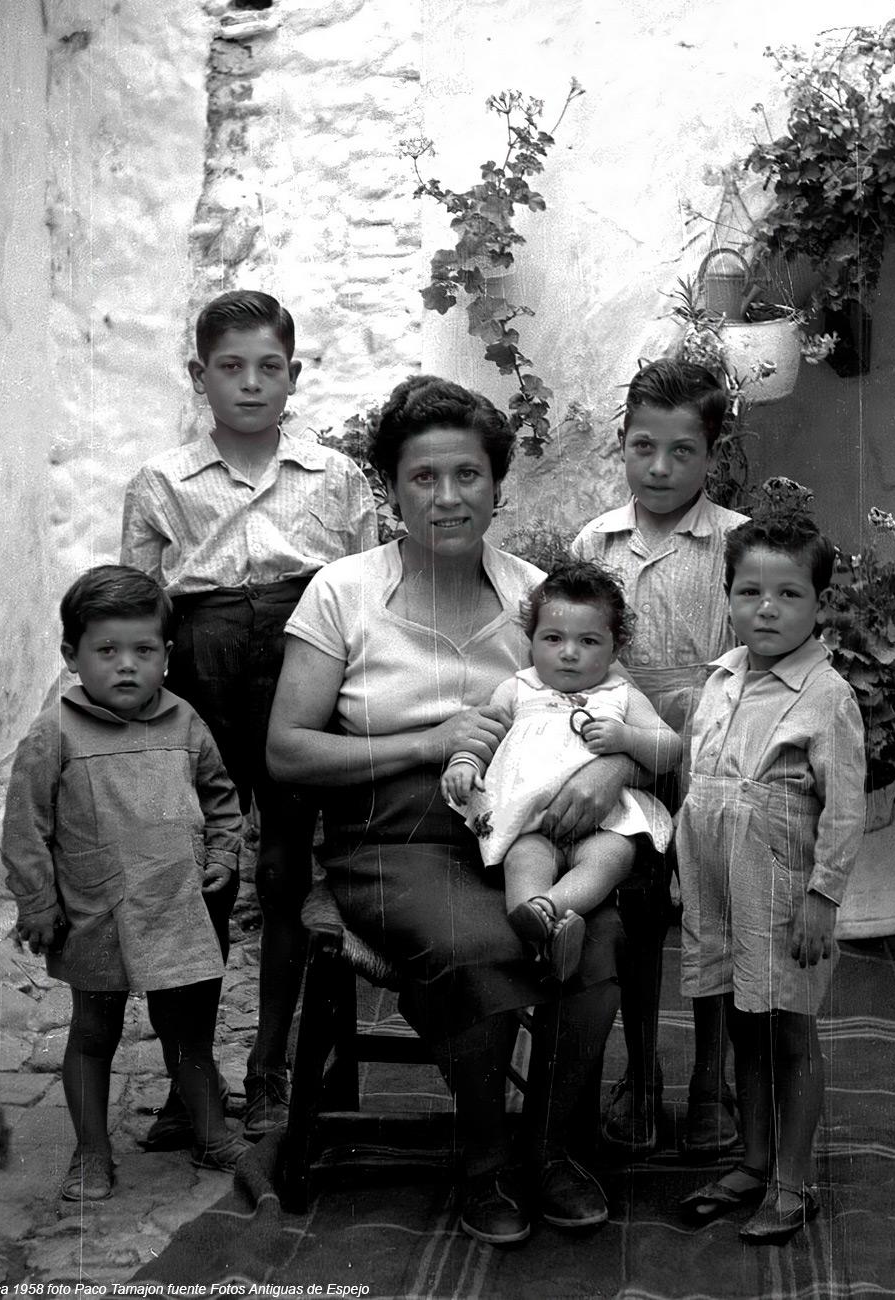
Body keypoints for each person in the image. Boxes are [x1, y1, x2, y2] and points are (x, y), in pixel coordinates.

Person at [267, 375, 636, 1246]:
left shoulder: (535, 598)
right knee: (478, 941)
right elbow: (287, 750)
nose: (447, 496)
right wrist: (423, 744)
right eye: (423, 477)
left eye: (468, 474)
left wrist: (614, 765)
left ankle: (548, 1150)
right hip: (389, 837)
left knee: (599, 936)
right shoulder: (342, 593)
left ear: (497, 485)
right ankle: (484, 1159)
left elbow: (620, 707)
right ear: (391, 490)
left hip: (519, 831)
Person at [121, 290, 377, 1143]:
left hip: (304, 671)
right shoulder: (162, 482)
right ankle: (188, 1082)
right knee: (205, 871)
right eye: (231, 367)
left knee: (284, 872)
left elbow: (365, 594)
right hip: (204, 677)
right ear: (200, 376)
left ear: (294, 374)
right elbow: (139, 606)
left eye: (270, 366)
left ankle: (270, 1068)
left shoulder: (335, 477)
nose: (251, 383)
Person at [1, 566, 246, 1200]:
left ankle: (212, 1134)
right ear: (72, 655)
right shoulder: (54, 732)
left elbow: (221, 798)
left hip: (173, 907)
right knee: (92, 1033)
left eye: (144, 650)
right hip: (96, 910)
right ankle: (91, 1153)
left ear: (167, 654)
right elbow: (25, 827)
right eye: (106, 650)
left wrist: (223, 852)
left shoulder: (185, 722)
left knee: (186, 1032)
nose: (127, 666)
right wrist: (37, 904)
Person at [570, 358, 748, 1156]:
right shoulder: (596, 542)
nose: (661, 468)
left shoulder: (737, 543)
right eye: (644, 447)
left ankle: (712, 1079)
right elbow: (577, 660)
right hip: (623, 754)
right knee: (635, 912)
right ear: (622, 443)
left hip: (715, 759)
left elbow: (755, 669)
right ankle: (639, 1074)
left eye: (683, 451)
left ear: (713, 454)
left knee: (715, 916)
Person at [677, 516, 864, 1242]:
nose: (766, 608)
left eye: (789, 594)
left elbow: (844, 810)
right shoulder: (722, 679)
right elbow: (704, 778)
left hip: (783, 890)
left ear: (819, 603)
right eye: (749, 591)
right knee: (743, 1024)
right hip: (721, 883)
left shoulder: (826, 695)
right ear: (728, 597)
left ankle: (793, 1179)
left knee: (789, 1029)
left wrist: (823, 897)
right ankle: (753, 1161)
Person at [440, 560, 679, 981]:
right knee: (522, 861)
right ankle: (542, 925)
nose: (568, 653)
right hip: (532, 826)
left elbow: (670, 747)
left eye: (588, 641)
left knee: (611, 858)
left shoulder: (621, 695)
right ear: (531, 641)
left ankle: (549, 909)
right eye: (553, 638)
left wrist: (628, 738)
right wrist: (464, 763)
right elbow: (485, 737)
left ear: (614, 650)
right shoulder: (517, 689)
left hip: (606, 824)